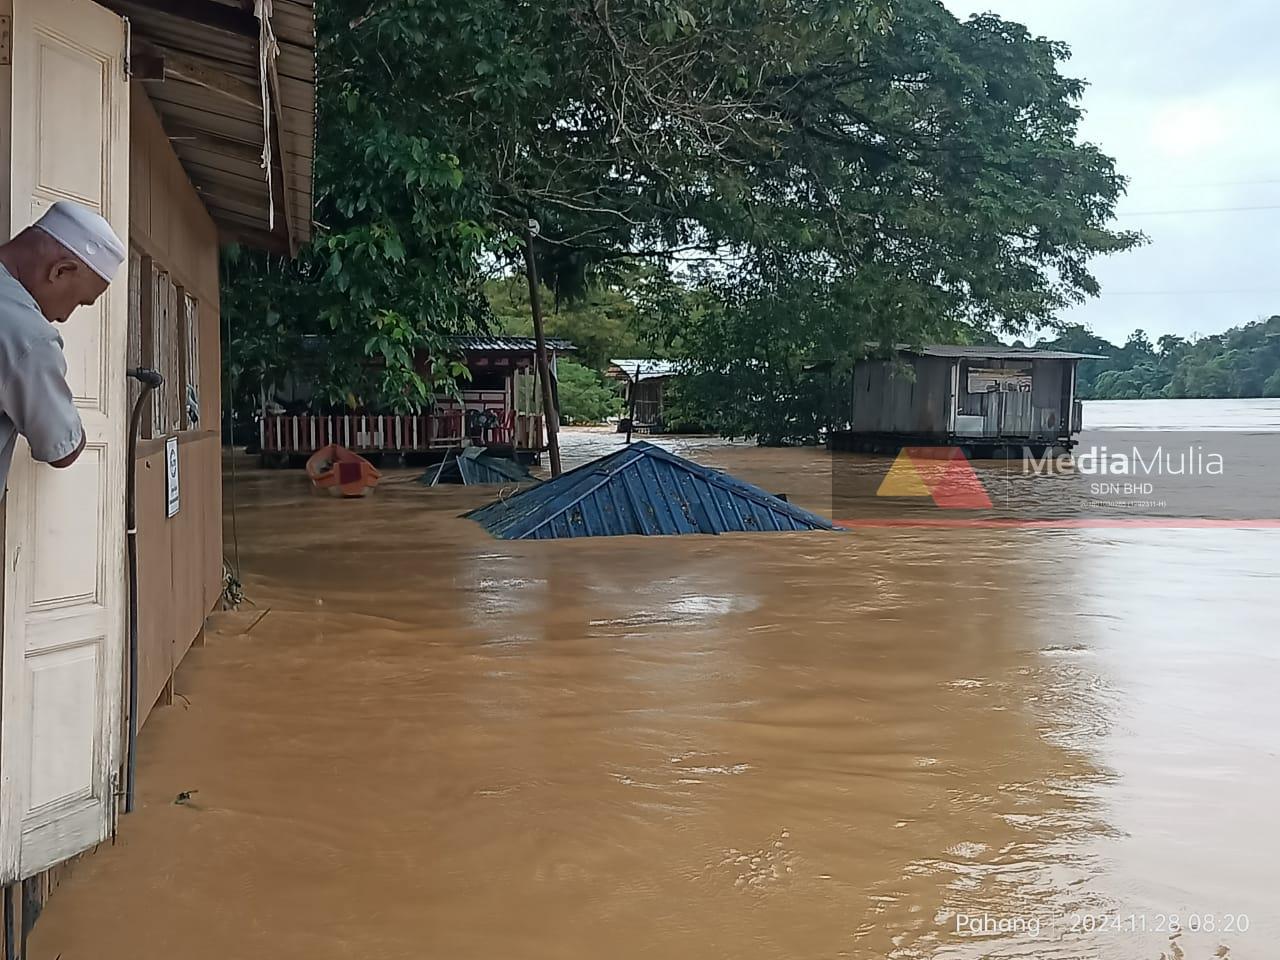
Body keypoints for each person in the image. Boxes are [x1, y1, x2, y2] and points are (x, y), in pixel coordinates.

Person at [0, 201, 125, 497]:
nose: (65, 317)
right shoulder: (27, 335)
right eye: (79, 302)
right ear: (61, 270)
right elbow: (62, 449)